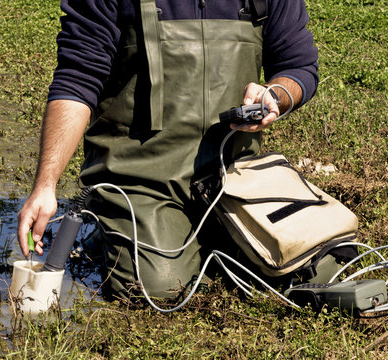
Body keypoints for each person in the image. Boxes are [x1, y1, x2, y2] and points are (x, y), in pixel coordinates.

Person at [17, 0, 319, 301]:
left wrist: (277, 95)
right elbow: (78, 80)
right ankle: (109, 228)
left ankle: (202, 235)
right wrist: (45, 185)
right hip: (139, 178)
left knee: (314, 264)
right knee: (158, 289)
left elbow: (299, 66)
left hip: (234, 177)